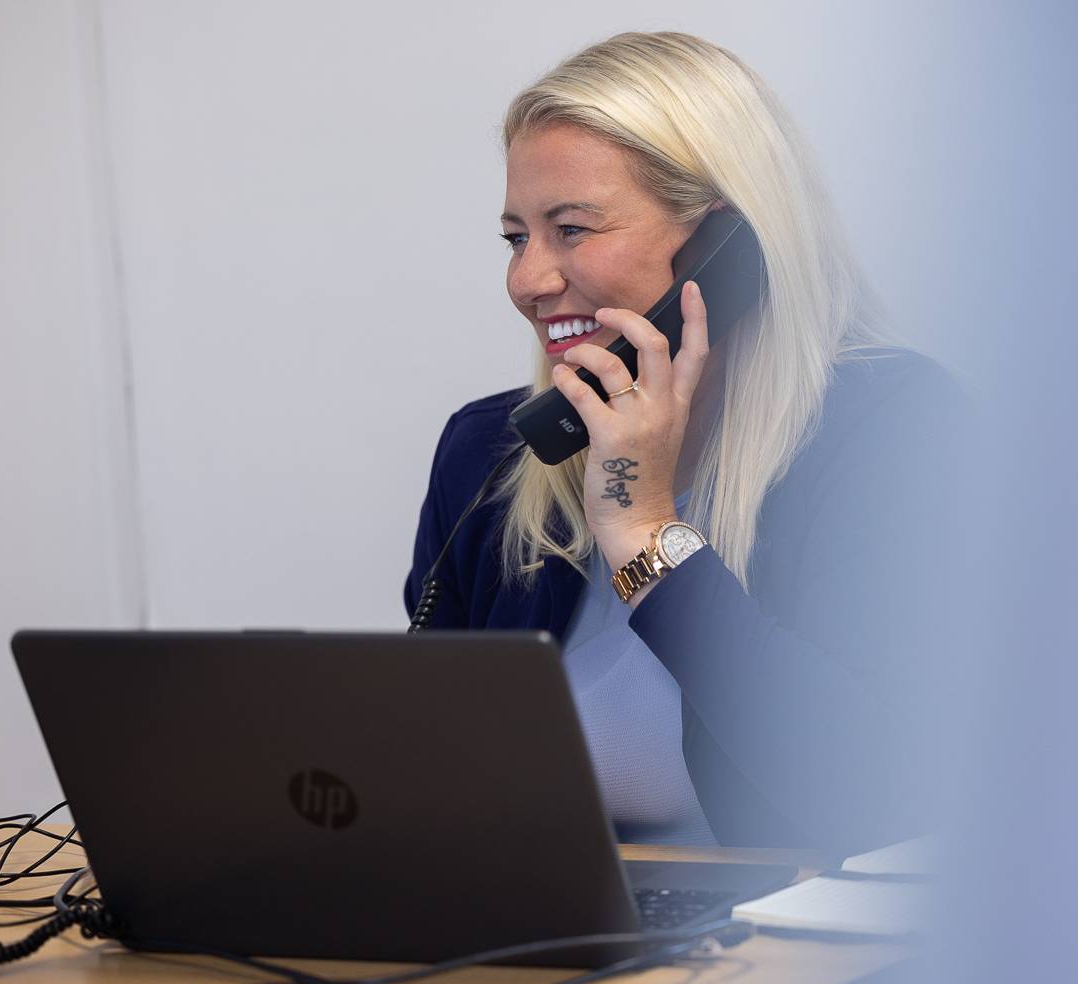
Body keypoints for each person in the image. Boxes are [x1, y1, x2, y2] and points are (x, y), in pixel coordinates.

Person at [405, 31, 962, 856]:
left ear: (722, 249)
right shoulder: (489, 454)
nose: (528, 281)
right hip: (549, 937)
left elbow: (882, 796)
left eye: (571, 229)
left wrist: (643, 539)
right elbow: (423, 785)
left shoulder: (892, 434)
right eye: (517, 237)